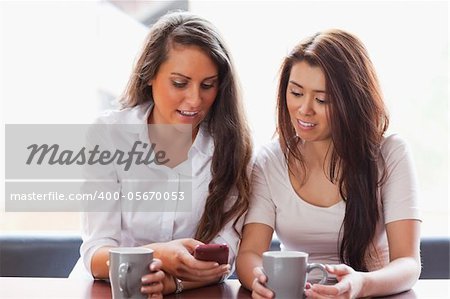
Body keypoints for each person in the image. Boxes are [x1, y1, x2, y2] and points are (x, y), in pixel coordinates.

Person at [71, 11, 252, 297]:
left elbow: (222, 259)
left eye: (208, 85)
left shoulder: (230, 147)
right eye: (180, 83)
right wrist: (156, 255)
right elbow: (95, 254)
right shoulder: (108, 135)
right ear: (150, 75)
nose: (195, 100)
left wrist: (173, 283)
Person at [236, 29, 421, 298]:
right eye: (296, 92)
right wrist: (260, 280)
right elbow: (250, 253)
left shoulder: (390, 153)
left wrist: (361, 284)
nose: (304, 109)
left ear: (352, 102)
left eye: (322, 99)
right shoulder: (269, 161)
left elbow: (408, 264)